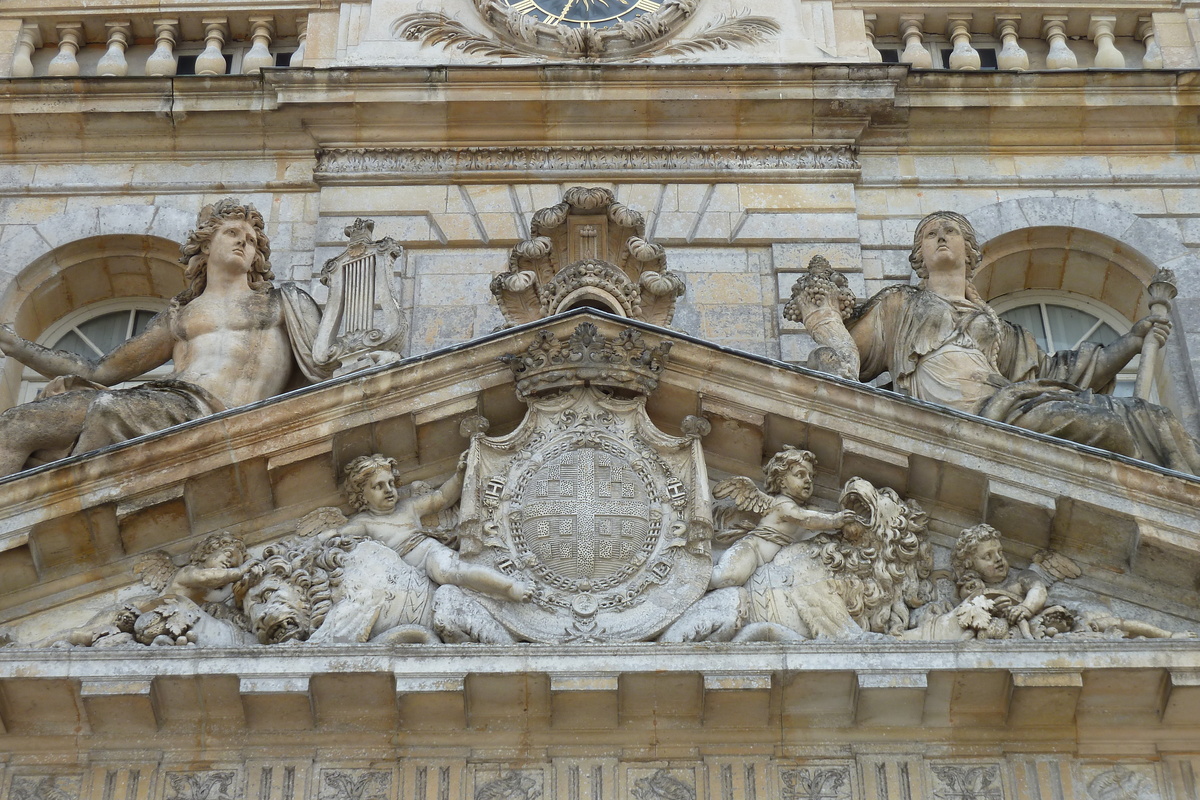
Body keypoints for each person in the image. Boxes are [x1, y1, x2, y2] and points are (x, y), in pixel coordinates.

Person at [794, 210, 1200, 472]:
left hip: (1002, 403)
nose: (940, 237)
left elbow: (1058, 371)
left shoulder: (997, 327)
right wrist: (822, 318)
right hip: (956, 414)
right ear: (918, 255)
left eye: (949, 232)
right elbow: (848, 360)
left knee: (1149, 418)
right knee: (1112, 428)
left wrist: (1131, 340)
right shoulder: (900, 304)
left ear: (969, 252)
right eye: (930, 234)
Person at [0, 199, 330, 478]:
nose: (244, 242)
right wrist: (18, 348)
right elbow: (99, 371)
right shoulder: (181, 314)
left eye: (251, 240)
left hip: (217, 414)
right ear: (206, 244)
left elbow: (325, 364)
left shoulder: (284, 301)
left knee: (107, 410)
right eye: (232, 233)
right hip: (167, 402)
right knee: (17, 422)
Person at [338, 453, 530, 602]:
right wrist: (315, 541)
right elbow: (334, 537)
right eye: (378, 486)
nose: (389, 490)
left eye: (390, 483)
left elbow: (441, 498)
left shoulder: (407, 506)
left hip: (427, 553)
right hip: (407, 572)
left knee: (450, 571)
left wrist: (459, 476)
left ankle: (510, 587)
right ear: (362, 495)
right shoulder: (363, 522)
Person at [709, 446, 855, 590]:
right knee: (727, 576)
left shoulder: (809, 510)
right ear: (781, 481)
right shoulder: (782, 504)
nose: (808, 480)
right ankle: (696, 582)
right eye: (800, 475)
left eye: (811, 476)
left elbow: (819, 517)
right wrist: (836, 520)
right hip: (752, 551)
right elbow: (804, 519)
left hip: (773, 563)